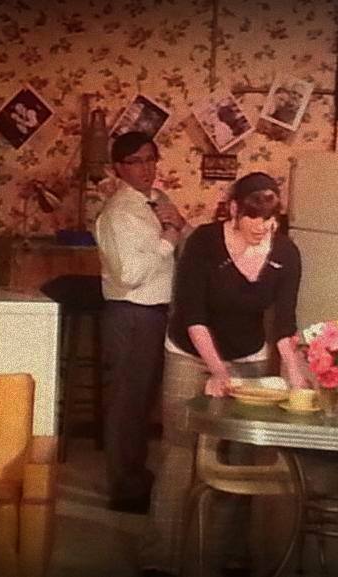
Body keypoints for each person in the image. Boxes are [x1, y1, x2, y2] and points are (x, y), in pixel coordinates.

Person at [139, 172, 310, 577]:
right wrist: (216, 371)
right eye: (253, 220)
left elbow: (284, 323)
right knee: (181, 452)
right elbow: (192, 314)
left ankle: (220, 558)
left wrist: (296, 372)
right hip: (189, 352)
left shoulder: (286, 253)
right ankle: (161, 558)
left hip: (248, 356)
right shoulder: (203, 243)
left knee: (239, 456)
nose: (262, 229)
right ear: (233, 210)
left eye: (269, 221)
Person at [95, 131, 189, 514]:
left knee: (141, 401)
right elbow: (130, 274)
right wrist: (168, 238)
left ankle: (136, 476)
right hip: (131, 312)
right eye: (135, 161)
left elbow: (178, 246)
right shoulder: (119, 213)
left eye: (150, 159)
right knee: (127, 403)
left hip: (154, 312)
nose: (146, 168)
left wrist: (176, 226)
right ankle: (125, 488)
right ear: (118, 168)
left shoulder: (155, 201)